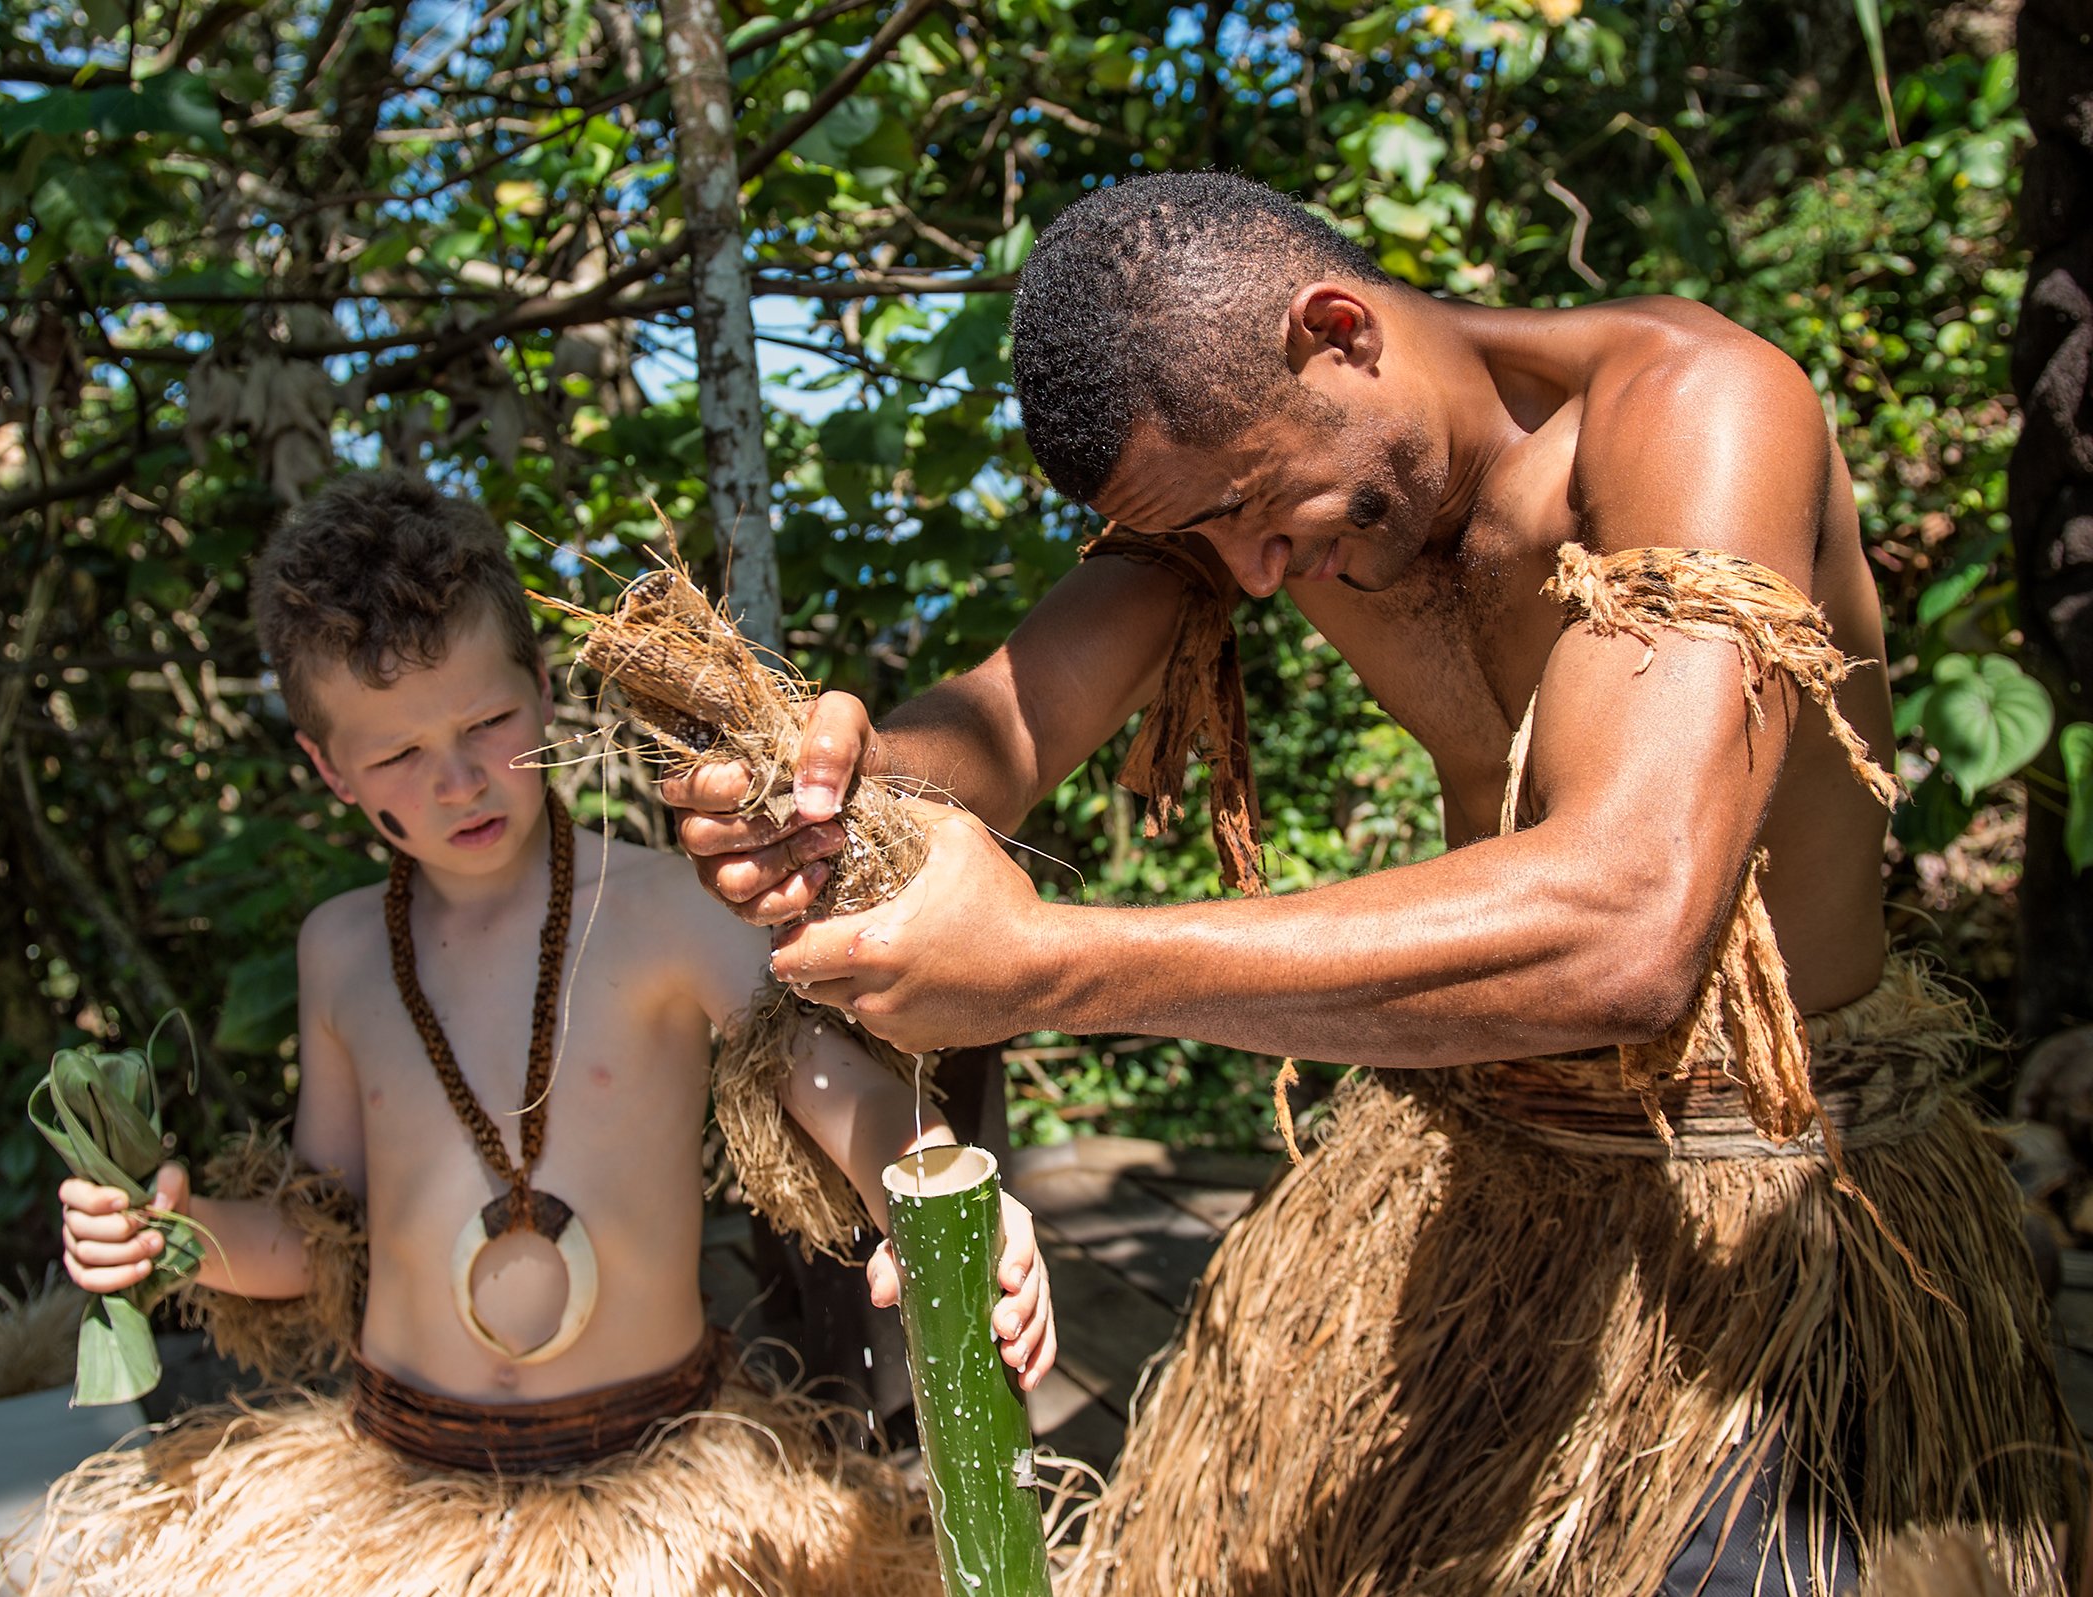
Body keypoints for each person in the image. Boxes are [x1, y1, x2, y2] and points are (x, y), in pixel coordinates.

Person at [661, 173, 2079, 1594]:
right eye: (1210, 540)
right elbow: (1006, 732)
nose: (1257, 579)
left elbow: (1634, 923)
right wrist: (827, 792)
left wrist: (1053, 962)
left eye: (1253, 511)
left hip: (1760, 1226)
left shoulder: (1694, 413)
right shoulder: (1249, 489)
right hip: (1488, 1179)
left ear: (1335, 330)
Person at [15, 472, 1057, 1597]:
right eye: (399, 756)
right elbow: (317, 1234)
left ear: (544, 690)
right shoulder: (343, 950)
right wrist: (176, 1228)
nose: (458, 777)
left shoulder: (668, 907)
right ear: (328, 769)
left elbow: (832, 1083)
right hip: (394, 1481)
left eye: (487, 722)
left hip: (657, 1485)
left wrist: (929, 1186)